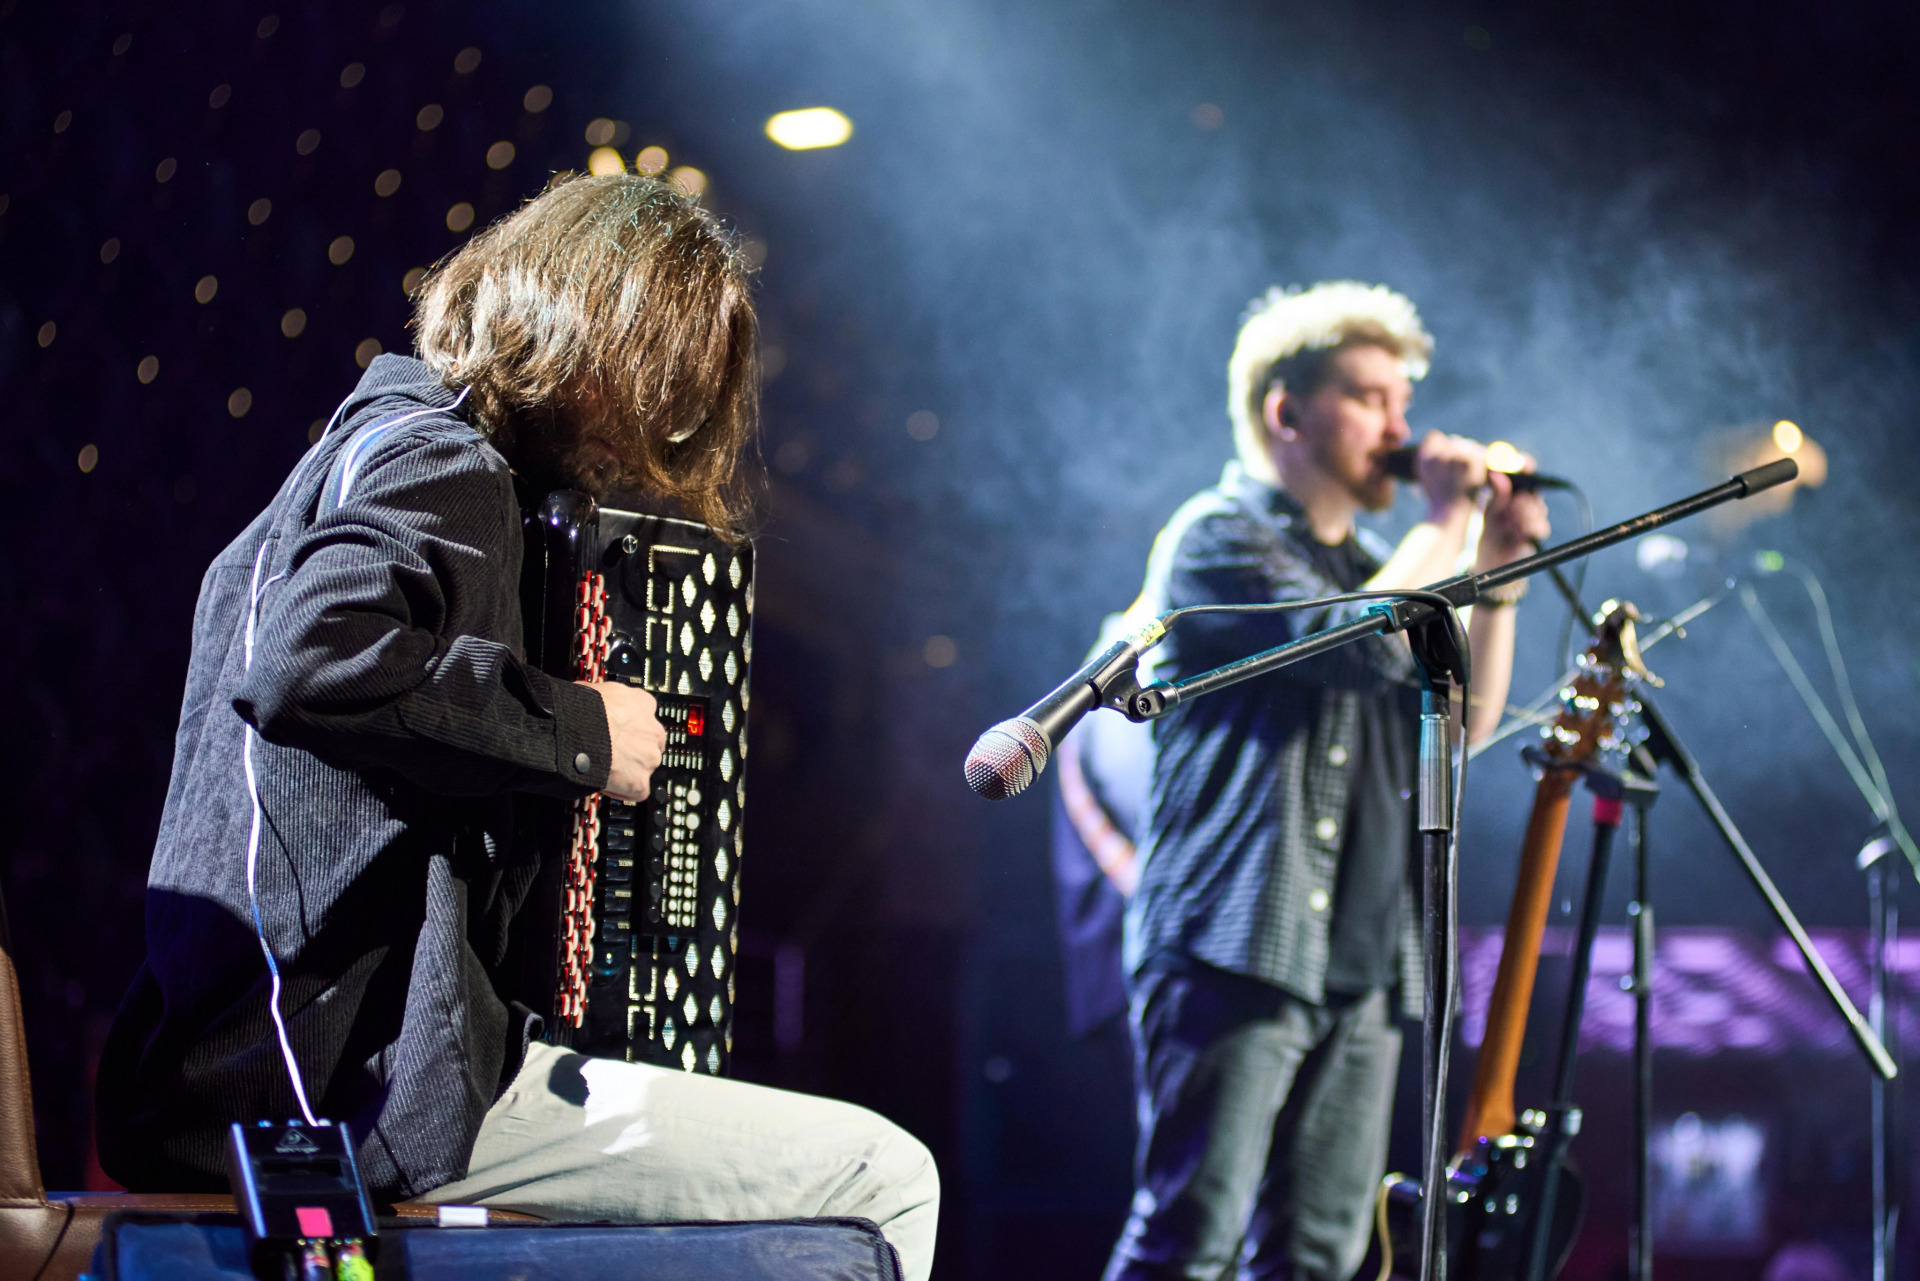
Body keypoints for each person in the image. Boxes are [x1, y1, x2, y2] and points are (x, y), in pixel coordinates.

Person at [96, 172, 939, 1279]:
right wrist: (583, 731)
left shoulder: (366, 448)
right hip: (350, 1091)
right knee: (882, 1175)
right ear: (587, 325)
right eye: (664, 376)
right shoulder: (441, 458)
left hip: (274, 1069)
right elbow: (311, 658)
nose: (673, 422)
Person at [1103, 281, 1550, 1281]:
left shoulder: (1391, 567)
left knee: (1322, 1257)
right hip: (1236, 950)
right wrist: (1449, 520)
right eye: (1373, 399)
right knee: (1190, 1242)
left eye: (1403, 400)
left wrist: (1504, 572)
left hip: (1360, 967)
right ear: (1286, 412)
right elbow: (1364, 646)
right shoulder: (1214, 540)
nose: (1402, 426)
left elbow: (1463, 721)